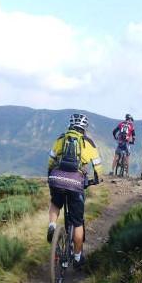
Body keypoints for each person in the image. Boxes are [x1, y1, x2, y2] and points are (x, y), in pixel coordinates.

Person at [47, 113, 102, 268]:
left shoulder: (61, 139)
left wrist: (50, 175)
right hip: (76, 183)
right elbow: (98, 166)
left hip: (57, 179)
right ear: (84, 127)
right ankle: (77, 257)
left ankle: (52, 225)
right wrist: (96, 179)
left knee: (55, 204)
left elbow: (51, 160)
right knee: (77, 223)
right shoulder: (88, 142)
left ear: (70, 125)